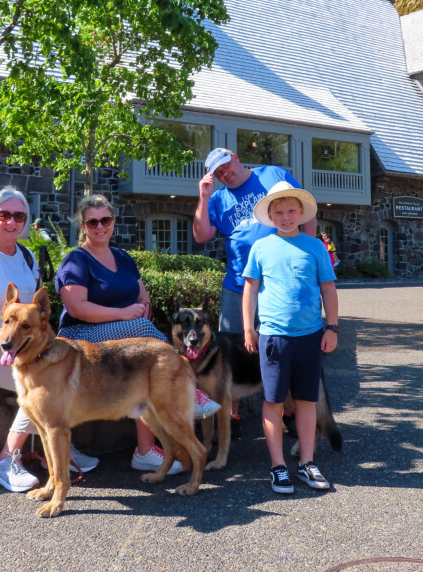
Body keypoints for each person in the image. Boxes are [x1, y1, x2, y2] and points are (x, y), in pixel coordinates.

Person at [56, 194, 221, 475]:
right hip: (79, 336)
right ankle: (189, 391)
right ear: (83, 226)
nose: (100, 226)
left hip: (121, 334)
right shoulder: (76, 260)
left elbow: (143, 299)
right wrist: (124, 315)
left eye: (105, 220)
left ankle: (144, 452)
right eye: (92, 221)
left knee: (147, 370)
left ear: (113, 222)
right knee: (145, 331)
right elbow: (76, 307)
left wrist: (140, 310)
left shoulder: (123, 257)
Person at [0, 186, 99, 493]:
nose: (12, 221)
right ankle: (5, 461)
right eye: (4, 214)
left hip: (23, 346)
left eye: (19, 216)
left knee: (57, 379)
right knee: (43, 389)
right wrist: (1, 337)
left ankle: (56, 452)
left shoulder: (27, 256)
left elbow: (33, 313)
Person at [193, 148, 316, 425]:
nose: (224, 173)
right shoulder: (218, 199)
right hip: (238, 285)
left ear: (235, 157)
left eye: (226, 166)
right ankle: (232, 416)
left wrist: (308, 257)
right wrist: (203, 195)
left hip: (280, 283)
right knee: (233, 353)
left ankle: (292, 412)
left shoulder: (273, 174)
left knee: (285, 346)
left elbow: (306, 216)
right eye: (218, 172)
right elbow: (201, 235)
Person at [241, 181, 338, 494]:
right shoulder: (261, 248)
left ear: (301, 213)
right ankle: (278, 466)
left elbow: (328, 288)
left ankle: (308, 463)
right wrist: (248, 328)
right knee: (272, 402)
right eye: (279, 211)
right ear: (270, 215)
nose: (285, 216)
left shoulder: (315, 247)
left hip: (310, 336)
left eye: (291, 211)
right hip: (272, 338)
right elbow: (250, 289)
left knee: (307, 401)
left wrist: (332, 328)